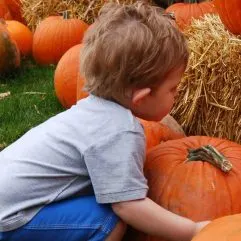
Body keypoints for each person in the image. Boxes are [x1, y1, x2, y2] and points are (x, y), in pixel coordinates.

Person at [0, 2, 209, 241]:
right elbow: (129, 206)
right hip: (11, 218)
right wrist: (192, 230)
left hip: (7, 200)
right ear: (141, 98)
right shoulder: (119, 131)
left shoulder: (90, 111)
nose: (177, 94)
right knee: (108, 221)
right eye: (172, 89)